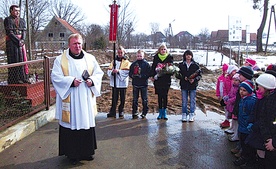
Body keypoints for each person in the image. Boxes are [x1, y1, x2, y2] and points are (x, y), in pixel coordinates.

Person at [51, 33, 104, 165]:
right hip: (71, 98)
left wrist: (92, 81)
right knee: (72, 125)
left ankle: (87, 152)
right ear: (69, 45)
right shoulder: (60, 60)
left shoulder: (90, 58)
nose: (77, 46)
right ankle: (72, 154)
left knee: (86, 123)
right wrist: (70, 81)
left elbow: (98, 73)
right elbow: (55, 77)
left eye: (79, 43)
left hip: (85, 97)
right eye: (74, 43)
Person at [245, 73, 276, 168]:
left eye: (259, 86)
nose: (257, 87)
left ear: (266, 87)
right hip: (266, 136)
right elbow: (263, 118)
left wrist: (274, 142)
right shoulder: (267, 98)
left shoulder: (271, 100)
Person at [233, 80, 257, 167]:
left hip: (247, 128)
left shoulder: (251, 101)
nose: (241, 92)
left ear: (249, 91)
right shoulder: (243, 99)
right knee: (243, 143)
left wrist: (249, 124)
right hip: (242, 126)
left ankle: (248, 162)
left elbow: (252, 114)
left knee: (247, 146)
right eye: (240, 90)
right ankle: (244, 158)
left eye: (244, 90)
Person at [4, 5, 29, 84]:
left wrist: (22, 40)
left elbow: (24, 31)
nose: (17, 12)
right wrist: (18, 41)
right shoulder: (8, 20)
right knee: (14, 60)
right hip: (12, 43)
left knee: (22, 59)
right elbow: (10, 32)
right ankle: (15, 79)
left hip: (20, 43)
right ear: (11, 11)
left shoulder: (22, 20)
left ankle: (23, 77)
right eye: (15, 10)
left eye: (18, 11)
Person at [150, 43, 173, 120]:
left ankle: (165, 112)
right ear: (159, 50)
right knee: (160, 96)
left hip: (166, 80)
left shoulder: (169, 57)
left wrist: (168, 70)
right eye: (161, 49)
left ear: (166, 50)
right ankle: (160, 112)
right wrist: (152, 76)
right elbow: (153, 67)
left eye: (164, 49)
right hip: (158, 80)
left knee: (165, 96)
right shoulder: (156, 57)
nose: (163, 51)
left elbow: (171, 68)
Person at [106, 46, 130, 119]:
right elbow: (109, 70)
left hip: (122, 83)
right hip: (115, 83)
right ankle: (112, 111)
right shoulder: (114, 61)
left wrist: (119, 71)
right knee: (114, 98)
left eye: (121, 52)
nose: (120, 54)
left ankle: (121, 111)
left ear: (124, 52)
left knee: (122, 98)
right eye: (118, 52)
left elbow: (127, 72)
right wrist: (112, 72)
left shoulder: (127, 62)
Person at [178, 50, 202, 122]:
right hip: (184, 85)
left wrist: (194, 79)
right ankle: (184, 114)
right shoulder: (181, 65)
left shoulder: (196, 65)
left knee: (192, 100)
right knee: (184, 101)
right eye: (187, 55)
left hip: (192, 85)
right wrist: (183, 77)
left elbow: (200, 76)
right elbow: (178, 75)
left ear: (192, 56)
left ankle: (192, 113)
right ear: (184, 56)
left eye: (190, 55)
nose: (188, 56)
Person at [129, 50, 151, 119]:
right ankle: (135, 111)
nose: (139, 57)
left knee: (144, 99)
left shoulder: (146, 64)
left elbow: (149, 74)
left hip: (143, 84)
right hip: (135, 84)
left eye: (141, 56)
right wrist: (133, 76)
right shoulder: (133, 64)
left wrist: (142, 76)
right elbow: (130, 73)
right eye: (138, 56)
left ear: (143, 56)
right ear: (136, 56)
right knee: (135, 99)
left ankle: (144, 111)